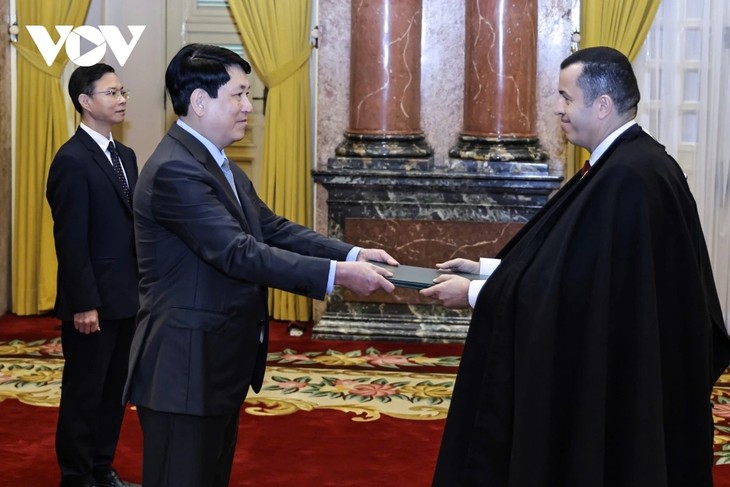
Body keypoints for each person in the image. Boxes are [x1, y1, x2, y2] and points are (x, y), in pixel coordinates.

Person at [422, 46, 730, 486]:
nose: (557, 108)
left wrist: (473, 293)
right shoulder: (626, 162)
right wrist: (487, 271)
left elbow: (578, 290)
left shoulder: (628, 176)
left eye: (566, 97)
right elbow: (570, 259)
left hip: (627, 378)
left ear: (602, 105)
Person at [122, 43, 398, 487]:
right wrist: (337, 276)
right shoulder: (176, 170)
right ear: (199, 101)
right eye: (239, 94)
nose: (249, 106)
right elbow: (238, 252)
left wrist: (350, 254)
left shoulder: (214, 162)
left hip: (213, 363)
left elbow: (270, 228)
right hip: (183, 368)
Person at [46, 64, 140, 487]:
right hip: (92, 303)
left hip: (126, 297)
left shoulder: (126, 156)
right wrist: (84, 303)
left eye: (122, 91)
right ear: (85, 101)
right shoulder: (71, 160)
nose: (121, 99)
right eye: (111, 93)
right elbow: (71, 240)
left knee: (115, 390)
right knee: (84, 392)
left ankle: (102, 468)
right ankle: (77, 475)